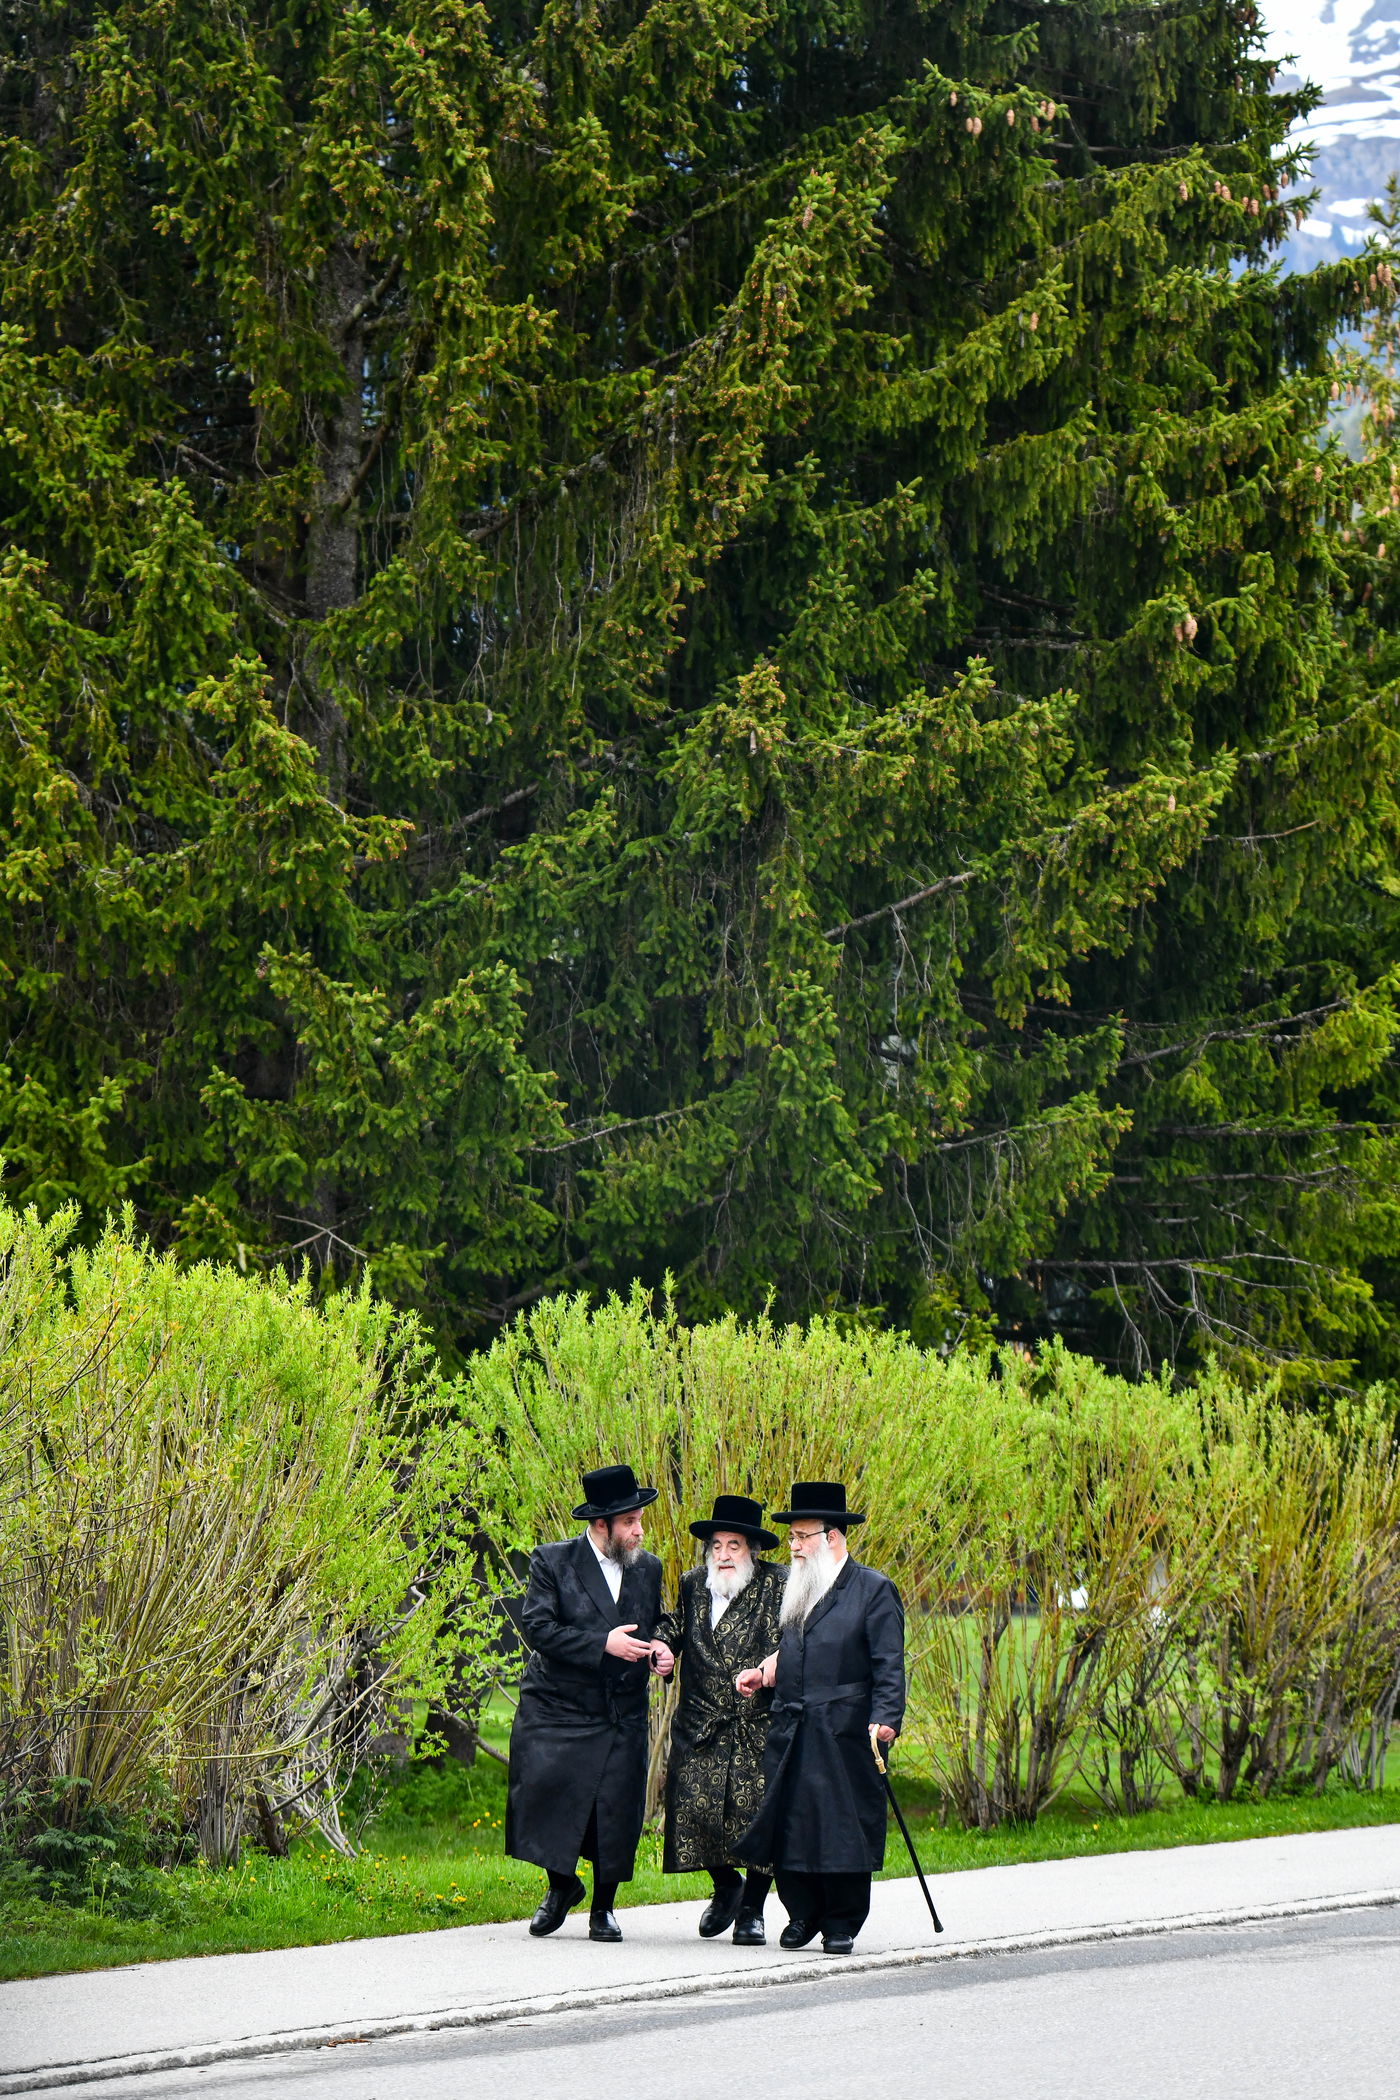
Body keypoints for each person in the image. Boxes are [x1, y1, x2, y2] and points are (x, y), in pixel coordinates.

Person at [505, 1463, 674, 1942]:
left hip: (620, 1707)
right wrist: (602, 1643)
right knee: (543, 1796)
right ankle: (561, 1886)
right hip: (558, 1705)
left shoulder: (648, 1567)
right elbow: (537, 1627)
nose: (640, 1531)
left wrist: (661, 1648)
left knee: (614, 1807)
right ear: (601, 1525)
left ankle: (604, 1908)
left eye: (640, 1520)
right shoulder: (552, 1561)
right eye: (630, 1523)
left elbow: (655, 1621)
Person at [735, 1481, 904, 1955]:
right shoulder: (800, 1588)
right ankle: (802, 1912)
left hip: (846, 1731)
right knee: (793, 1821)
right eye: (791, 1537)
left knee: (840, 1825)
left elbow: (889, 1663)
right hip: (793, 1726)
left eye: (800, 1536)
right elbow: (799, 1650)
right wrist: (765, 1673)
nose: (792, 1546)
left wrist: (887, 1716)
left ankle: (841, 1921)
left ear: (831, 1537)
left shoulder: (873, 1589)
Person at [654, 1495, 785, 1945]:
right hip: (702, 1719)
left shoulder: (777, 1584)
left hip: (757, 1722)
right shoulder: (694, 1584)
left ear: (752, 1549)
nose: (724, 1555)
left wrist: (775, 1664)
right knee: (694, 1810)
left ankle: (753, 1910)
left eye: (734, 1545)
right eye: (717, 1546)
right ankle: (726, 1886)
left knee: (756, 1817)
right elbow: (674, 1624)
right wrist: (664, 1648)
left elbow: (802, 1639)